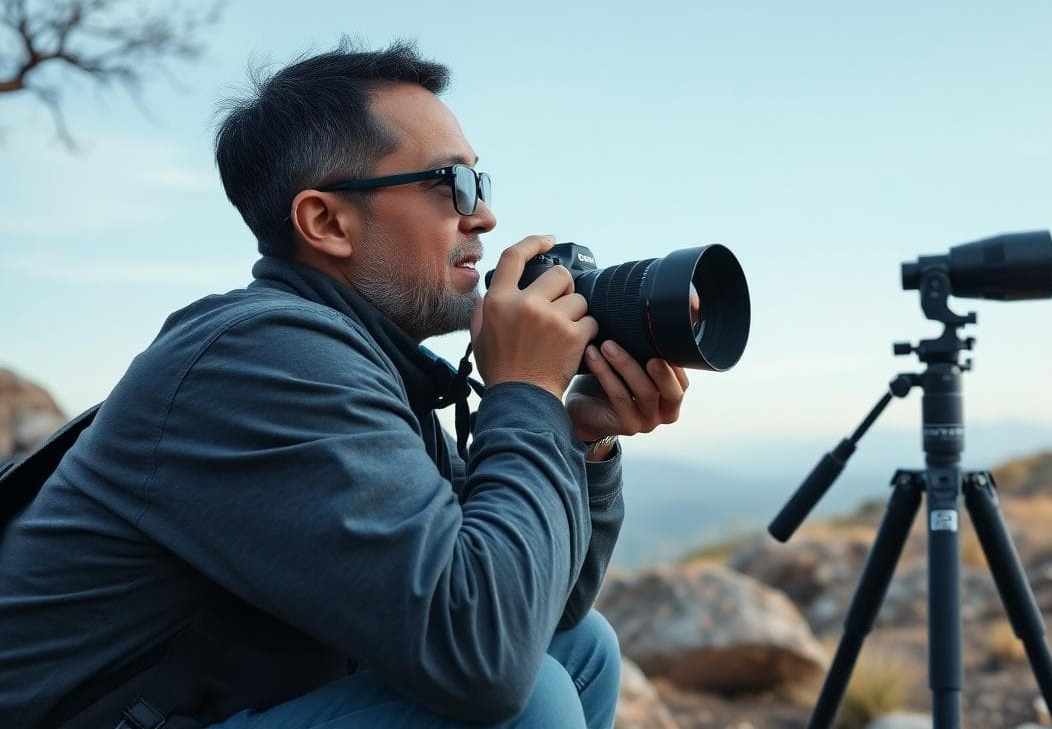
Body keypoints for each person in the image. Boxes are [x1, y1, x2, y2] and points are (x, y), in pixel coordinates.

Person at [0, 41, 691, 729]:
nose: (483, 217)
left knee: (580, 649)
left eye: (483, 183)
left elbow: (541, 604)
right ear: (327, 222)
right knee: (526, 697)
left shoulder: (379, 372)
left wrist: (577, 439)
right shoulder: (261, 357)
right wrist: (527, 395)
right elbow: (488, 658)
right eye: (452, 183)